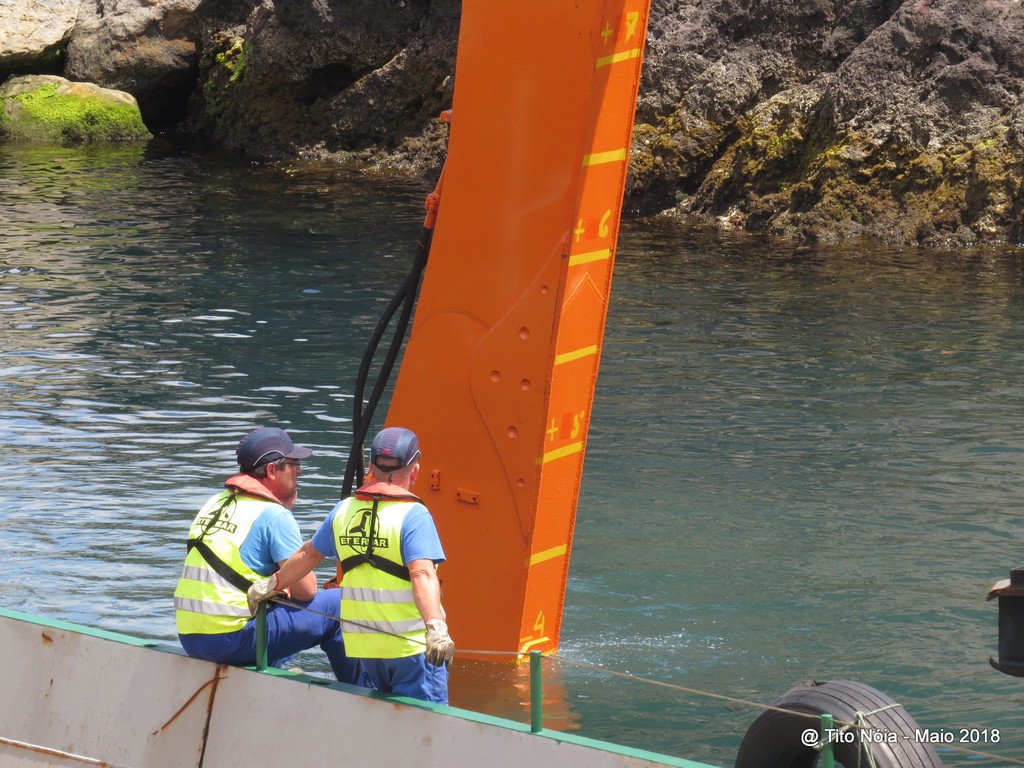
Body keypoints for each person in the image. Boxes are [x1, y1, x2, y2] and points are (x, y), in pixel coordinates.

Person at [249, 426, 454, 703]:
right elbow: (421, 573)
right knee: (423, 724)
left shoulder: (344, 510)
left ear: (371, 467)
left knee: (381, 718)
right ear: (415, 470)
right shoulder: (413, 515)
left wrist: (270, 584)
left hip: (366, 648)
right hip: (412, 649)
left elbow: (308, 555)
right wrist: (436, 628)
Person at [174, 426, 361, 684]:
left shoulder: (215, 502)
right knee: (341, 603)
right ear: (272, 470)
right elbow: (306, 591)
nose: (300, 472)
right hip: (231, 640)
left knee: (275, 603)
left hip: (190, 637)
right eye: (294, 464)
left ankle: (273, 676)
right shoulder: (273, 515)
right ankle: (360, 694)